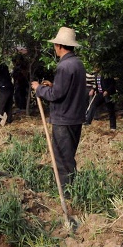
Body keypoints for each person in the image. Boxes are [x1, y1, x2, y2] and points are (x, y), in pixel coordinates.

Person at [31, 27, 86, 190]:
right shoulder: (78, 64)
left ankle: (66, 194)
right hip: (75, 117)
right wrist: (53, 85)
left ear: (60, 46)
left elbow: (56, 95)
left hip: (64, 119)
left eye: (55, 45)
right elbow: (68, 89)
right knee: (69, 156)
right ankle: (72, 188)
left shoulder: (64, 66)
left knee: (62, 159)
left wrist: (38, 89)